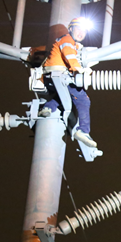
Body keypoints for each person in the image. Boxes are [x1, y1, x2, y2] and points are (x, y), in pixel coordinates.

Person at [39, 17, 97, 148]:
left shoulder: (69, 42)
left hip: (50, 76)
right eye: (79, 29)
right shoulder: (67, 40)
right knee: (83, 99)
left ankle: (48, 107)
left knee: (64, 94)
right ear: (70, 29)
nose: (81, 33)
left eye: (84, 31)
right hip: (59, 74)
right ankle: (83, 131)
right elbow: (69, 54)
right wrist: (80, 69)